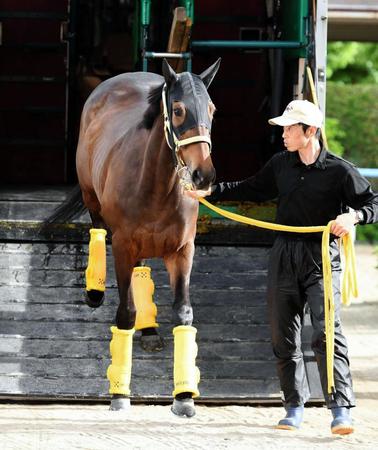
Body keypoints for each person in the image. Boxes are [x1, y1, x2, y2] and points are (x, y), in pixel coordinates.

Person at [185, 99, 378, 434]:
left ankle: (340, 409)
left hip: (321, 257)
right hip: (284, 256)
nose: (284, 134)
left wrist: (354, 216)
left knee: (326, 334)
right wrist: (207, 192)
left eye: (290, 128)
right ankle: (293, 406)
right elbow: (250, 189)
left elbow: (373, 202)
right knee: (283, 336)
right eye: (284, 128)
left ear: (311, 131)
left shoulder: (340, 171)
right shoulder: (280, 165)